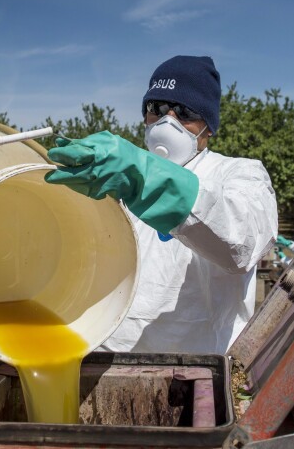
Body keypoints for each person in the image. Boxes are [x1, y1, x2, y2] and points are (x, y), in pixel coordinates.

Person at [45, 55, 278, 354]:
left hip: (196, 373)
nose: (167, 121)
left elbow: (241, 244)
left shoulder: (239, 174)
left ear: (209, 127)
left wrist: (150, 181)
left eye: (183, 112)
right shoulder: (115, 177)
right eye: (155, 109)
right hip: (106, 361)